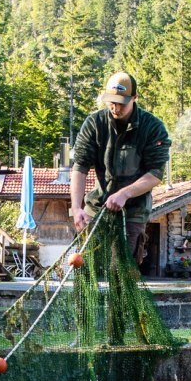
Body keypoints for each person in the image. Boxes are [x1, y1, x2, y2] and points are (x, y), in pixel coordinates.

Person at [69, 72, 171, 265]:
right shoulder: (94, 124)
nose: (115, 107)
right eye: (111, 102)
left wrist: (125, 194)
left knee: (121, 269)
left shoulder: (153, 128)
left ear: (134, 98)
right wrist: (76, 208)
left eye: (121, 103)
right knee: (86, 266)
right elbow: (80, 167)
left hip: (133, 212)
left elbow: (156, 174)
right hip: (96, 207)